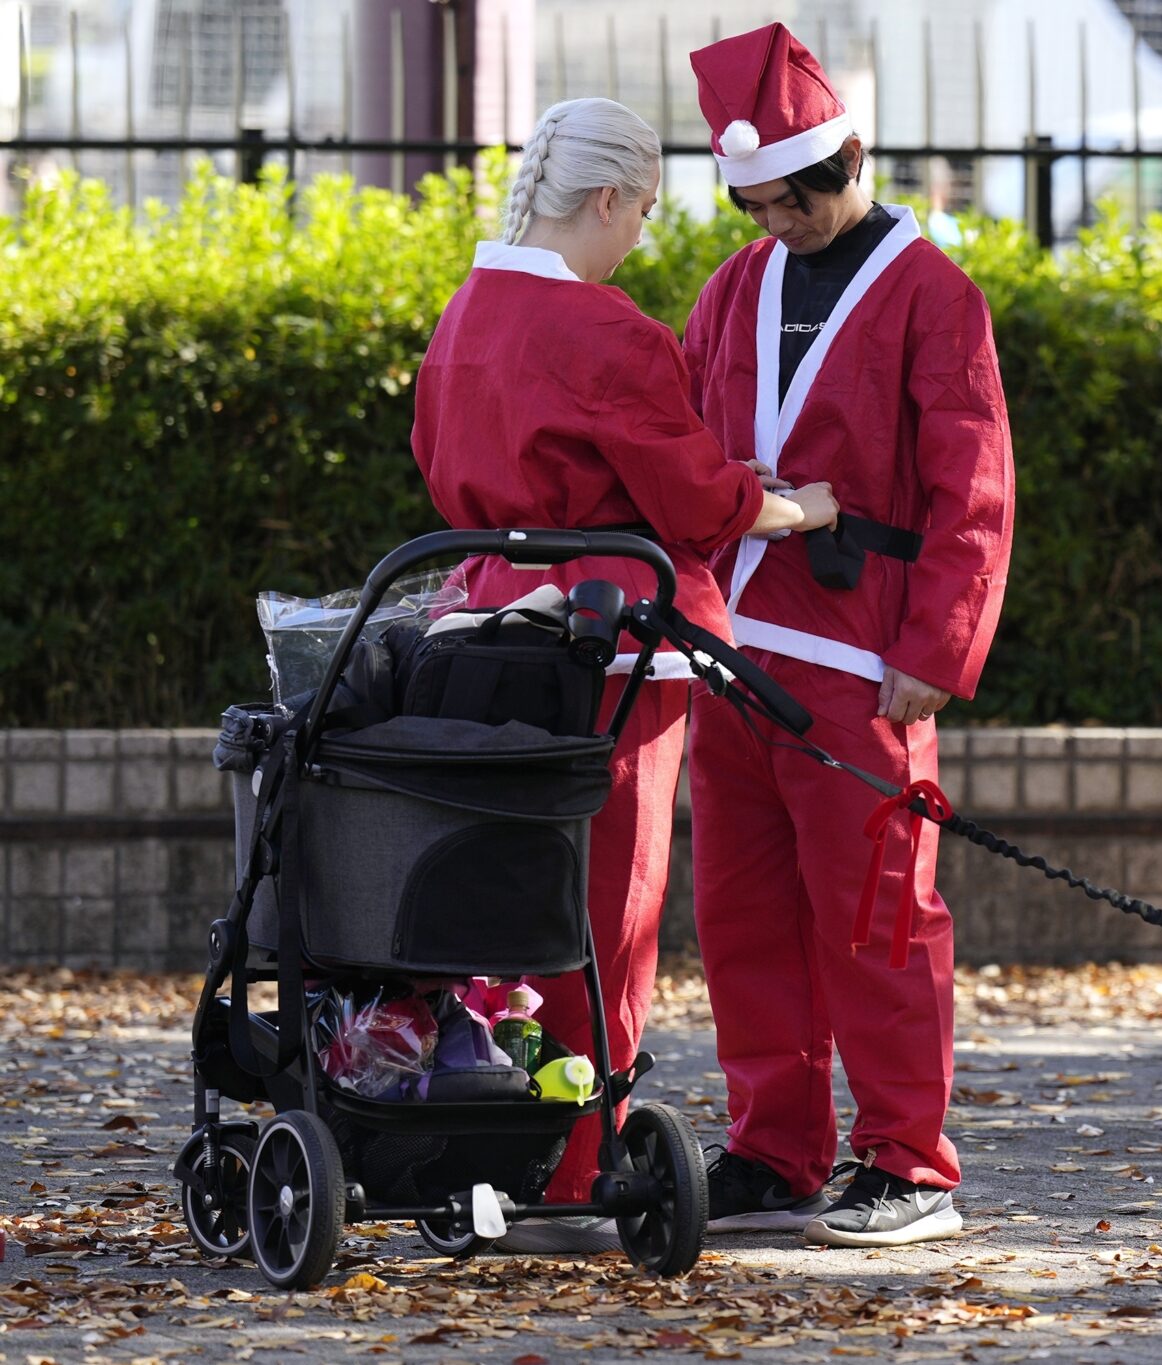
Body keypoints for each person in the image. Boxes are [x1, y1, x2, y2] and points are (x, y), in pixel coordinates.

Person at [410, 95, 839, 1253]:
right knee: (612, 903)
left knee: (500, 882)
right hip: (611, 631)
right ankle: (574, 1154)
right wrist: (793, 507)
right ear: (605, 198)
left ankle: (483, 1115)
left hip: (487, 618)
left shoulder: (464, 313)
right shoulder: (609, 332)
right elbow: (694, 496)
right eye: (643, 211)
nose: (642, 237)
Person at [681, 24, 1015, 1248]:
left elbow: (973, 488)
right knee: (743, 912)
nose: (778, 224)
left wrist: (936, 647)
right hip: (730, 648)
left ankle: (908, 1163)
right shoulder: (733, 285)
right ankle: (774, 1149)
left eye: (794, 201)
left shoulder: (935, 294)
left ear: (849, 160)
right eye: (756, 205)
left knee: (878, 913)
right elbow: (679, 440)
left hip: (861, 658)